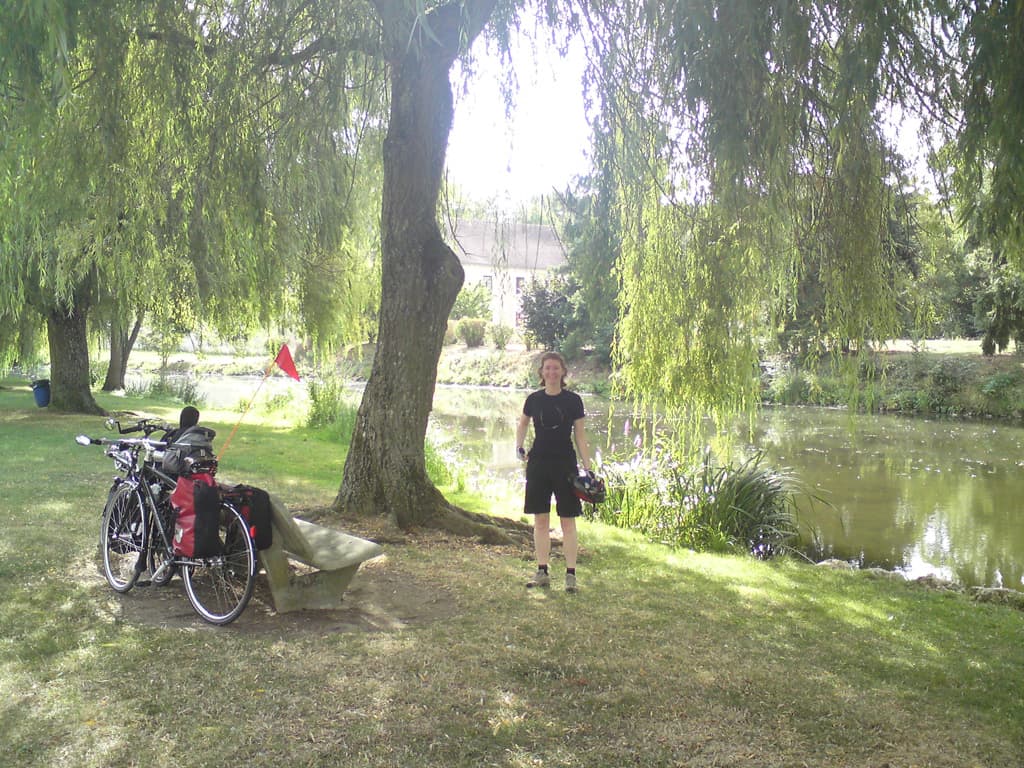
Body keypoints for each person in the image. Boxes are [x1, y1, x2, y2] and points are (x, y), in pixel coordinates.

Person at [515, 351, 593, 592]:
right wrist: (519, 447)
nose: (551, 372)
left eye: (556, 368)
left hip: (565, 465)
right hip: (538, 463)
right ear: (542, 372)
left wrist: (588, 467)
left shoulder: (573, 401)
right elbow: (523, 423)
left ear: (563, 372)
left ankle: (570, 575)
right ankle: (542, 571)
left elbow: (580, 435)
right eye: (547, 368)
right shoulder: (533, 399)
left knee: (567, 521)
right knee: (540, 521)